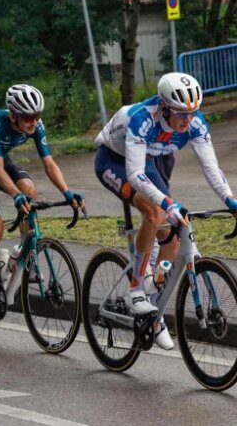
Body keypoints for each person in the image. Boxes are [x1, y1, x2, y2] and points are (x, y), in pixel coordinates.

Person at [94, 72, 237, 350]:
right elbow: (135, 175)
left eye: (192, 113)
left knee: (172, 239)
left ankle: (154, 313)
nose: (187, 120)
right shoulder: (141, 118)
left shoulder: (195, 122)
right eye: (181, 114)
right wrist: (166, 203)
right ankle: (137, 289)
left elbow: (211, 167)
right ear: (164, 107)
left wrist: (230, 199)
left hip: (146, 159)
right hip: (114, 160)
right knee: (156, 212)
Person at [0, 84, 84, 326]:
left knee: (30, 190)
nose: (33, 122)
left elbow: (49, 163)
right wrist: (15, 195)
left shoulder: (36, 125)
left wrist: (67, 192)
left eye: (37, 116)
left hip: (1, 163)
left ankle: (24, 250)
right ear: (13, 115)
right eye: (28, 117)